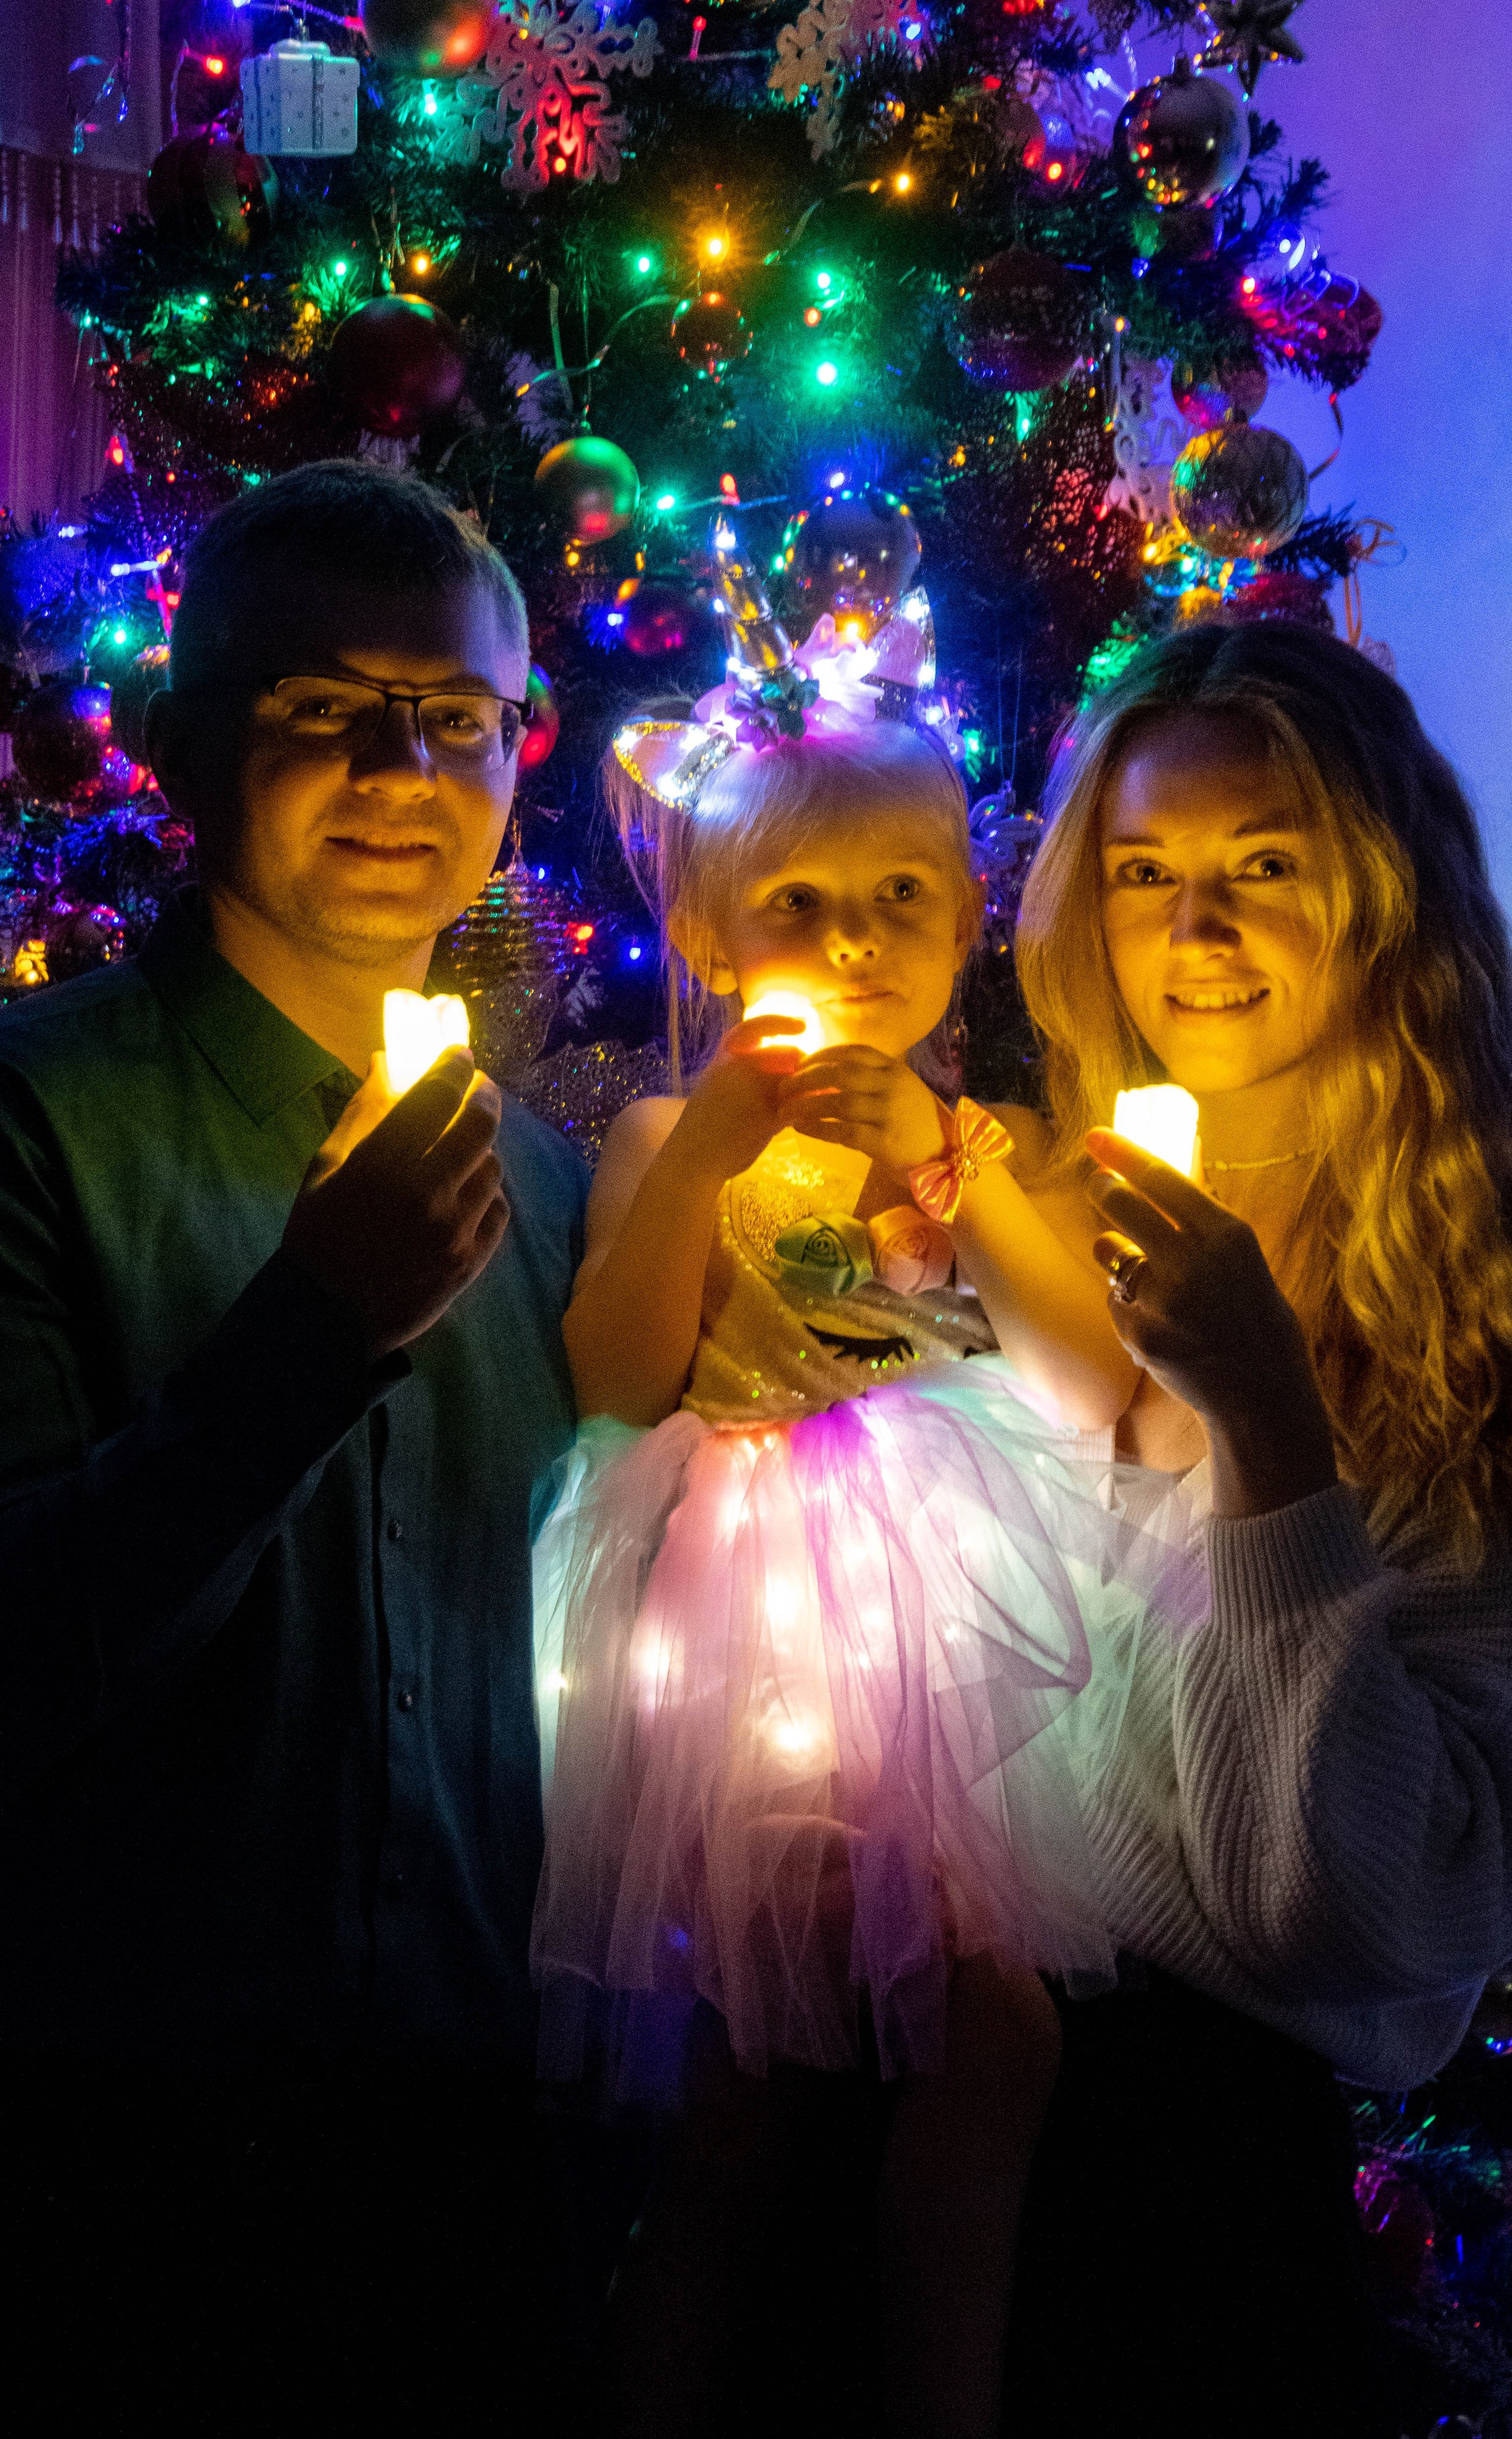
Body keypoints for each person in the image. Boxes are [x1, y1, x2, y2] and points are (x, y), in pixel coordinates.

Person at [0, 464, 589, 2435]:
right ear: (179, 747)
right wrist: (317, 1328)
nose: (405, 765)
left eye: (459, 718)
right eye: (326, 709)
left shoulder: (558, 1197)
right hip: (72, 2210)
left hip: (458, 2209)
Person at [531, 599, 1180, 2439]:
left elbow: (1092, 1389)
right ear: (705, 934)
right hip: (763, 1649)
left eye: (897, 896)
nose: (854, 941)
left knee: (990, 2035)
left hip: (963, 1664)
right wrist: (720, 1151)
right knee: (745, 2095)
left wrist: (951, 1174)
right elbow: (613, 1376)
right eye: (796, 906)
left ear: (965, 915)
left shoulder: (1000, 1147)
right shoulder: (670, 1131)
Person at [992, 619, 1512, 2437]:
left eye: (1264, 866)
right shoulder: (1017, 1214)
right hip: (920, 2099)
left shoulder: (1492, 1314)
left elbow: (1381, 1907)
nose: (1194, 930)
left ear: (1383, 894)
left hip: (1196, 2178)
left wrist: (1265, 1433)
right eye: (1143, 873)